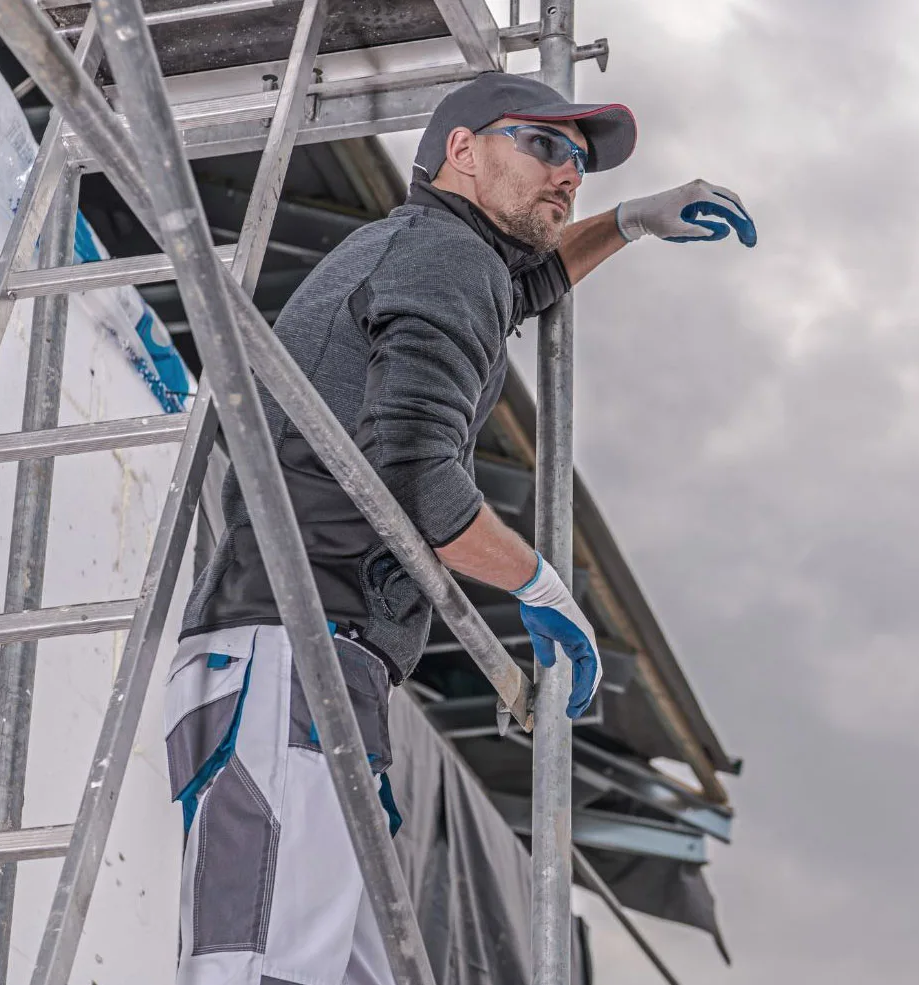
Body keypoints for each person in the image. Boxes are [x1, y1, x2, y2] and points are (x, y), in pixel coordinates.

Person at [162, 71, 756, 985]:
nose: (569, 174)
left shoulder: (432, 253)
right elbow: (412, 475)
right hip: (293, 653)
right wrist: (536, 584)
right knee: (265, 969)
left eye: (581, 162)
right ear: (461, 151)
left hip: (314, 659)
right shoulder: (446, 260)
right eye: (544, 145)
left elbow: (521, 289)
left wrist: (629, 223)